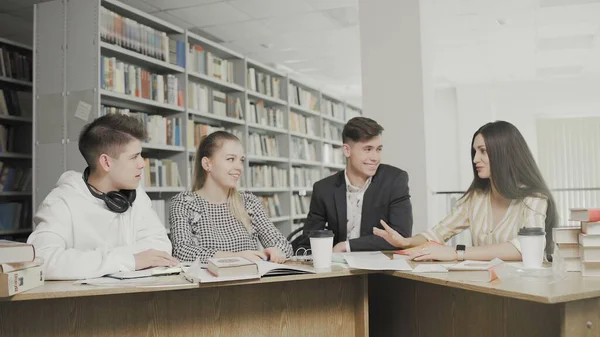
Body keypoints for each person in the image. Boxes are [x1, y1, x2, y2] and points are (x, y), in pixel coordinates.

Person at [374, 120, 558, 261]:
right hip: (486, 288)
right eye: (474, 152)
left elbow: (526, 248)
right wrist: (407, 242)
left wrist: (456, 253)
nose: (475, 159)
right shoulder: (476, 198)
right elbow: (438, 233)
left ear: (504, 154)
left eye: (483, 151)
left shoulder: (534, 198)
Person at [28, 114, 177, 280]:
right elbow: (43, 261)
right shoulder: (61, 201)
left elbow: (161, 248)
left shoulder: (135, 194)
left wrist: (90, 261)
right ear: (106, 162)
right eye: (134, 157)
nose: (142, 163)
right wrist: (130, 260)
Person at [169, 131, 293, 263]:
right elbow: (182, 252)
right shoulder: (184, 203)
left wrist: (275, 251)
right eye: (230, 159)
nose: (239, 167)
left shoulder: (248, 202)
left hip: (251, 281)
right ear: (207, 164)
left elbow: (284, 246)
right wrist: (236, 257)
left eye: (241, 160)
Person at [297, 117, 413, 253]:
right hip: (337, 268)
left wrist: (347, 246)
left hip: (380, 269)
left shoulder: (395, 180)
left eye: (378, 149)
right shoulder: (324, 189)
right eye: (367, 149)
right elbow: (309, 241)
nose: (375, 157)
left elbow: (402, 236)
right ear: (347, 150)